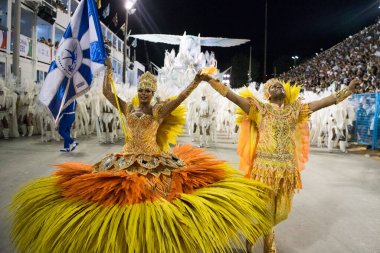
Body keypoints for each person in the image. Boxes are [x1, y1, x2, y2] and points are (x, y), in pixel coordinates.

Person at [9, 59, 272, 253]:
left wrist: (196, 81)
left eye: (148, 91)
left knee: (158, 199)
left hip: (155, 160)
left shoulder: (158, 111)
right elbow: (108, 93)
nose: (143, 93)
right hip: (125, 157)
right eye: (141, 90)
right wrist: (108, 73)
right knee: (112, 199)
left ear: (153, 94)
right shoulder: (128, 107)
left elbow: (180, 98)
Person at [201, 75, 361, 253]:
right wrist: (211, 81)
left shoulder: (296, 109)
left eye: (280, 85)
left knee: (282, 212)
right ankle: (270, 247)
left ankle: (253, 231)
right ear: (268, 94)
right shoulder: (259, 109)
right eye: (273, 86)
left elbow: (324, 102)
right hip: (264, 169)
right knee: (267, 209)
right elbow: (234, 97)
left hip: (287, 171)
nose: (278, 86)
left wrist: (348, 90)